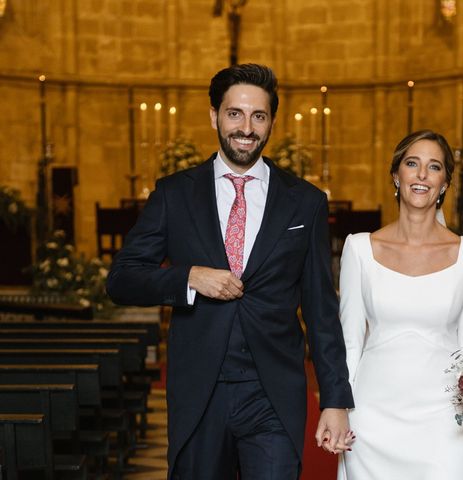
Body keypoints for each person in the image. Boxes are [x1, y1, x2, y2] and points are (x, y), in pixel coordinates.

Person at [107, 63, 354, 480]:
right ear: (214, 117)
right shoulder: (174, 193)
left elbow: (321, 310)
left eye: (258, 116)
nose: (246, 127)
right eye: (235, 113)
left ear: (272, 122)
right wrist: (187, 277)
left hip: (273, 394)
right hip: (199, 392)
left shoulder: (305, 202)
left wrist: (334, 400)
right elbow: (122, 279)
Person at [337, 130, 463, 479]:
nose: (422, 175)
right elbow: (349, 342)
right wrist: (339, 407)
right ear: (396, 175)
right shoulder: (358, 249)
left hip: (447, 418)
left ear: (445, 182)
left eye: (434, 167)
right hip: (373, 417)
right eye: (412, 163)